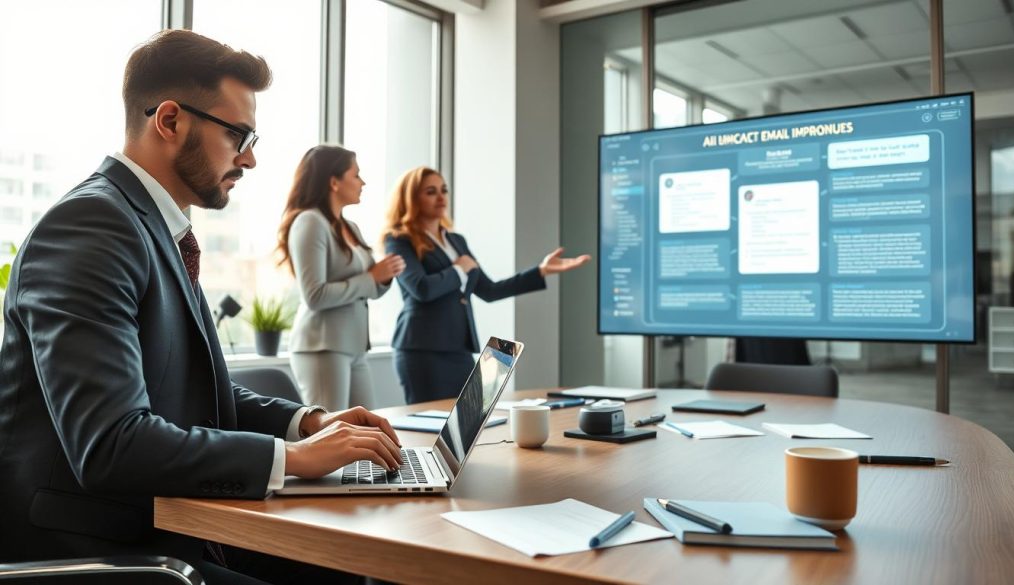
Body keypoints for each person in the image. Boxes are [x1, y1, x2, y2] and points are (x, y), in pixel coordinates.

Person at [0, 30, 403, 585]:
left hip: (166, 527)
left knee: (356, 567)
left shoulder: (149, 226)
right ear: (169, 121)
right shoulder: (91, 227)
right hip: (98, 549)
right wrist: (297, 460)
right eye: (238, 134)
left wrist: (307, 422)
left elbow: (188, 389)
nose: (252, 158)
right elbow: (112, 445)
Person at [383, 166, 591, 404]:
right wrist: (459, 269)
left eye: (444, 190)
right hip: (422, 348)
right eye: (431, 191)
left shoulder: (455, 240)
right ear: (411, 198)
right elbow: (421, 288)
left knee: (467, 419)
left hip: (459, 348)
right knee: (429, 423)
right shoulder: (399, 240)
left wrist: (541, 271)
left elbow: (490, 290)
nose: (441, 197)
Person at [277, 145, 405, 411]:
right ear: (334, 182)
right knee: (331, 436)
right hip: (322, 346)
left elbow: (368, 286)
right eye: (356, 175)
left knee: (369, 431)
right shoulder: (310, 222)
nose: (363, 182)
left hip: (354, 345)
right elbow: (314, 296)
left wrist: (383, 276)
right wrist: (371, 278)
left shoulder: (350, 227)